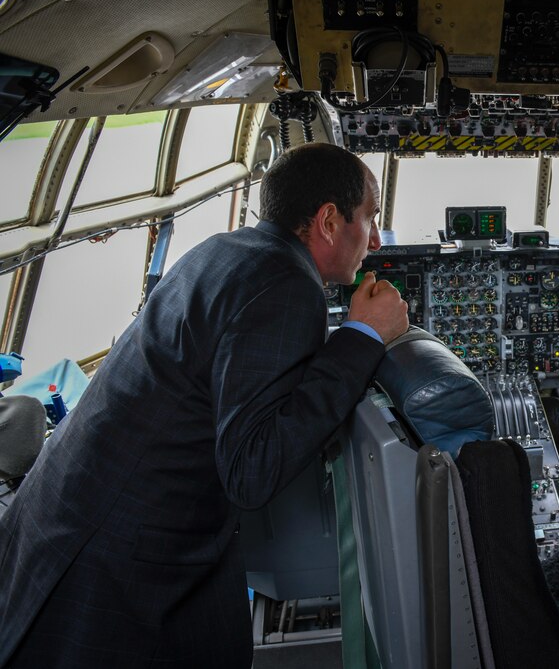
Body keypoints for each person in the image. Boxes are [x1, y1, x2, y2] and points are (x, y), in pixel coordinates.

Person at [0, 142, 409, 668]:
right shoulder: (286, 285)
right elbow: (251, 469)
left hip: (68, 517)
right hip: (117, 559)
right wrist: (363, 336)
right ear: (329, 221)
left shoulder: (229, 249)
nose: (374, 240)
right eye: (370, 219)